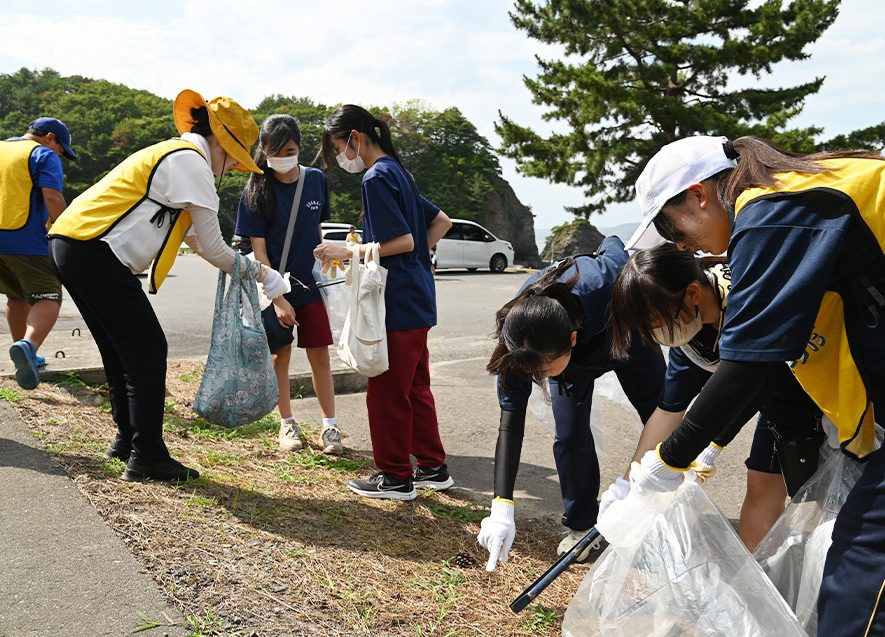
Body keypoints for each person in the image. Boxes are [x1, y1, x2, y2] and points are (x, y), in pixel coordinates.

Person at [622, 135, 885, 635]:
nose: (681, 246)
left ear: (699, 195)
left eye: (673, 228)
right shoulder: (793, 190)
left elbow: (751, 365)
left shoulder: (771, 214)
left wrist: (670, 461)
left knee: (858, 576)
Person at [47, 90, 290, 483]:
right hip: (94, 251)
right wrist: (267, 276)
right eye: (233, 157)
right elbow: (215, 248)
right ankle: (148, 457)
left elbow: (196, 239)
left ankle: (127, 441)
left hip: (71, 245)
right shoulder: (191, 162)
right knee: (148, 349)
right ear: (219, 142)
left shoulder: (173, 154)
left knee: (121, 350)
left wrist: (255, 272)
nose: (230, 167)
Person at [604, 243, 824, 550]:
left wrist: (713, 443)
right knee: (762, 484)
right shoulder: (692, 339)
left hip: (821, 394)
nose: (654, 333)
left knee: (819, 498)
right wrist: (629, 484)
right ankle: (760, 575)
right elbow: (668, 412)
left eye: (653, 320)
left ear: (693, 294)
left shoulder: (747, 303)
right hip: (774, 407)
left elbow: (749, 381)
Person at [477, 237, 666, 572]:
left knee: (661, 419)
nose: (539, 380)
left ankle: (663, 515)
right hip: (563, 354)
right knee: (569, 435)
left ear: (573, 340)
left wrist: (627, 485)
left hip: (624, 333)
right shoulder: (521, 339)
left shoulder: (605, 283)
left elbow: (615, 247)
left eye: (544, 372)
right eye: (533, 373)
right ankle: (582, 526)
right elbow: (510, 423)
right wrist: (501, 508)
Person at [315, 104, 453, 501]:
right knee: (415, 387)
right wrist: (415, 261)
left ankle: (395, 476)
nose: (342, 157)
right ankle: (432, 467)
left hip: (396, 302)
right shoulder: (400, 172)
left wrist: (347, 251)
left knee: (387, 391)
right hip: (418, 298)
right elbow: (441, 222)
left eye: (339, 148)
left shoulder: (376, 177)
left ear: (355, 139)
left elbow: (402, 241)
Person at [235, 114, 343, 455]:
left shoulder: (315, 181)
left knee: (320, 355)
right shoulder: (255, 188)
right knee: (280, 356)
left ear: (299, 148)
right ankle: (287, 423)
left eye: (290, 151)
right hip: (274, 286)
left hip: (310, 286)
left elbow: (316, 230)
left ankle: (330, 427)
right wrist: (278, 298)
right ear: (264, 150)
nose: (283, 157)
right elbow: (259, 252)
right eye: (275, 151)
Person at [0, 117, 76, 389]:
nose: (59, 154)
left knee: (16, 296)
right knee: (48, 296)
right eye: (61, 149)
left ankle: (24, 353)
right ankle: (28, 345)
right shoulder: (42, 154)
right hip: (27, 241)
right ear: (50, 138)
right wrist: (69, 234)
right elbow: (52, 197)